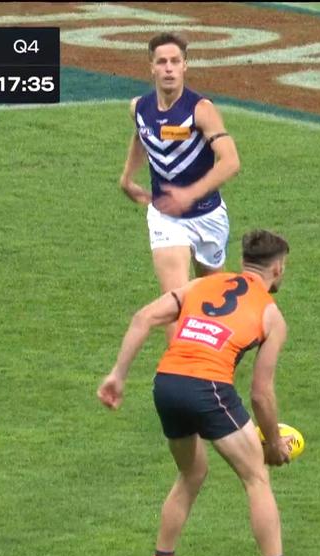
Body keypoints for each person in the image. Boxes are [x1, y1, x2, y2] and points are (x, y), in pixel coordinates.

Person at [96, 229, 318, 556]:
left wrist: (118, 375)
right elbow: (262, 395)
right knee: (255, 477)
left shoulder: (204, 285)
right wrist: (274, 444)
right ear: (277, 269)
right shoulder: (271, 314)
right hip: (208, 388)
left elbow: (143, 317)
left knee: (192, 472)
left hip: (167, 384)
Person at [119, 32, 242, 340]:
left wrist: (189, 194)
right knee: (176, 302)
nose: (169, 68)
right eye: (162, 62)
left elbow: (230, 161)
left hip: (208, 217)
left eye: (175, 61)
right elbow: (142, 135)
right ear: (151, 68)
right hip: (165, 216)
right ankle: (182, 373)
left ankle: (217, 358)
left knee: (213, 301)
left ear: (186, 66)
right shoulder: (139, 107)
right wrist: (127, 177)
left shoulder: (201, 109)